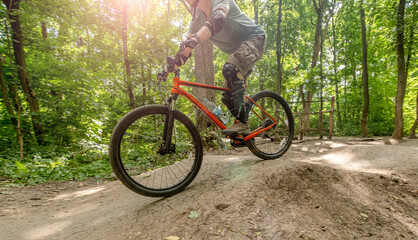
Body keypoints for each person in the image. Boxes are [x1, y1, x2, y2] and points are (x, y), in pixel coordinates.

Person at [172, 0, 266, 136]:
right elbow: (187, 47)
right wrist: (173, 63)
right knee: (227, 97)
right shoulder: (197, 16)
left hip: (255, 38)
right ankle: (245, 135)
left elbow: (218, 19)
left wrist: (195, 40)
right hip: (238, 50)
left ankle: (242, 124)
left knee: (230, 69)